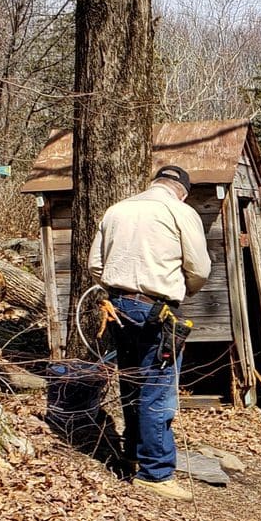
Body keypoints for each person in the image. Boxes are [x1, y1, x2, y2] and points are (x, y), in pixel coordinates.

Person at [89, 163, 210, 501]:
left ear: (155, 183)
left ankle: (132, 453)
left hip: (116, 306)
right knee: (158, 389)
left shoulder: (117, 210)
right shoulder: (180, 212)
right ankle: (155, 473)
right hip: (158, 308)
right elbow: (199, 268)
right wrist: (183, 287)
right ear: (182, 191)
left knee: (131, 380)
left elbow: (95, 265)